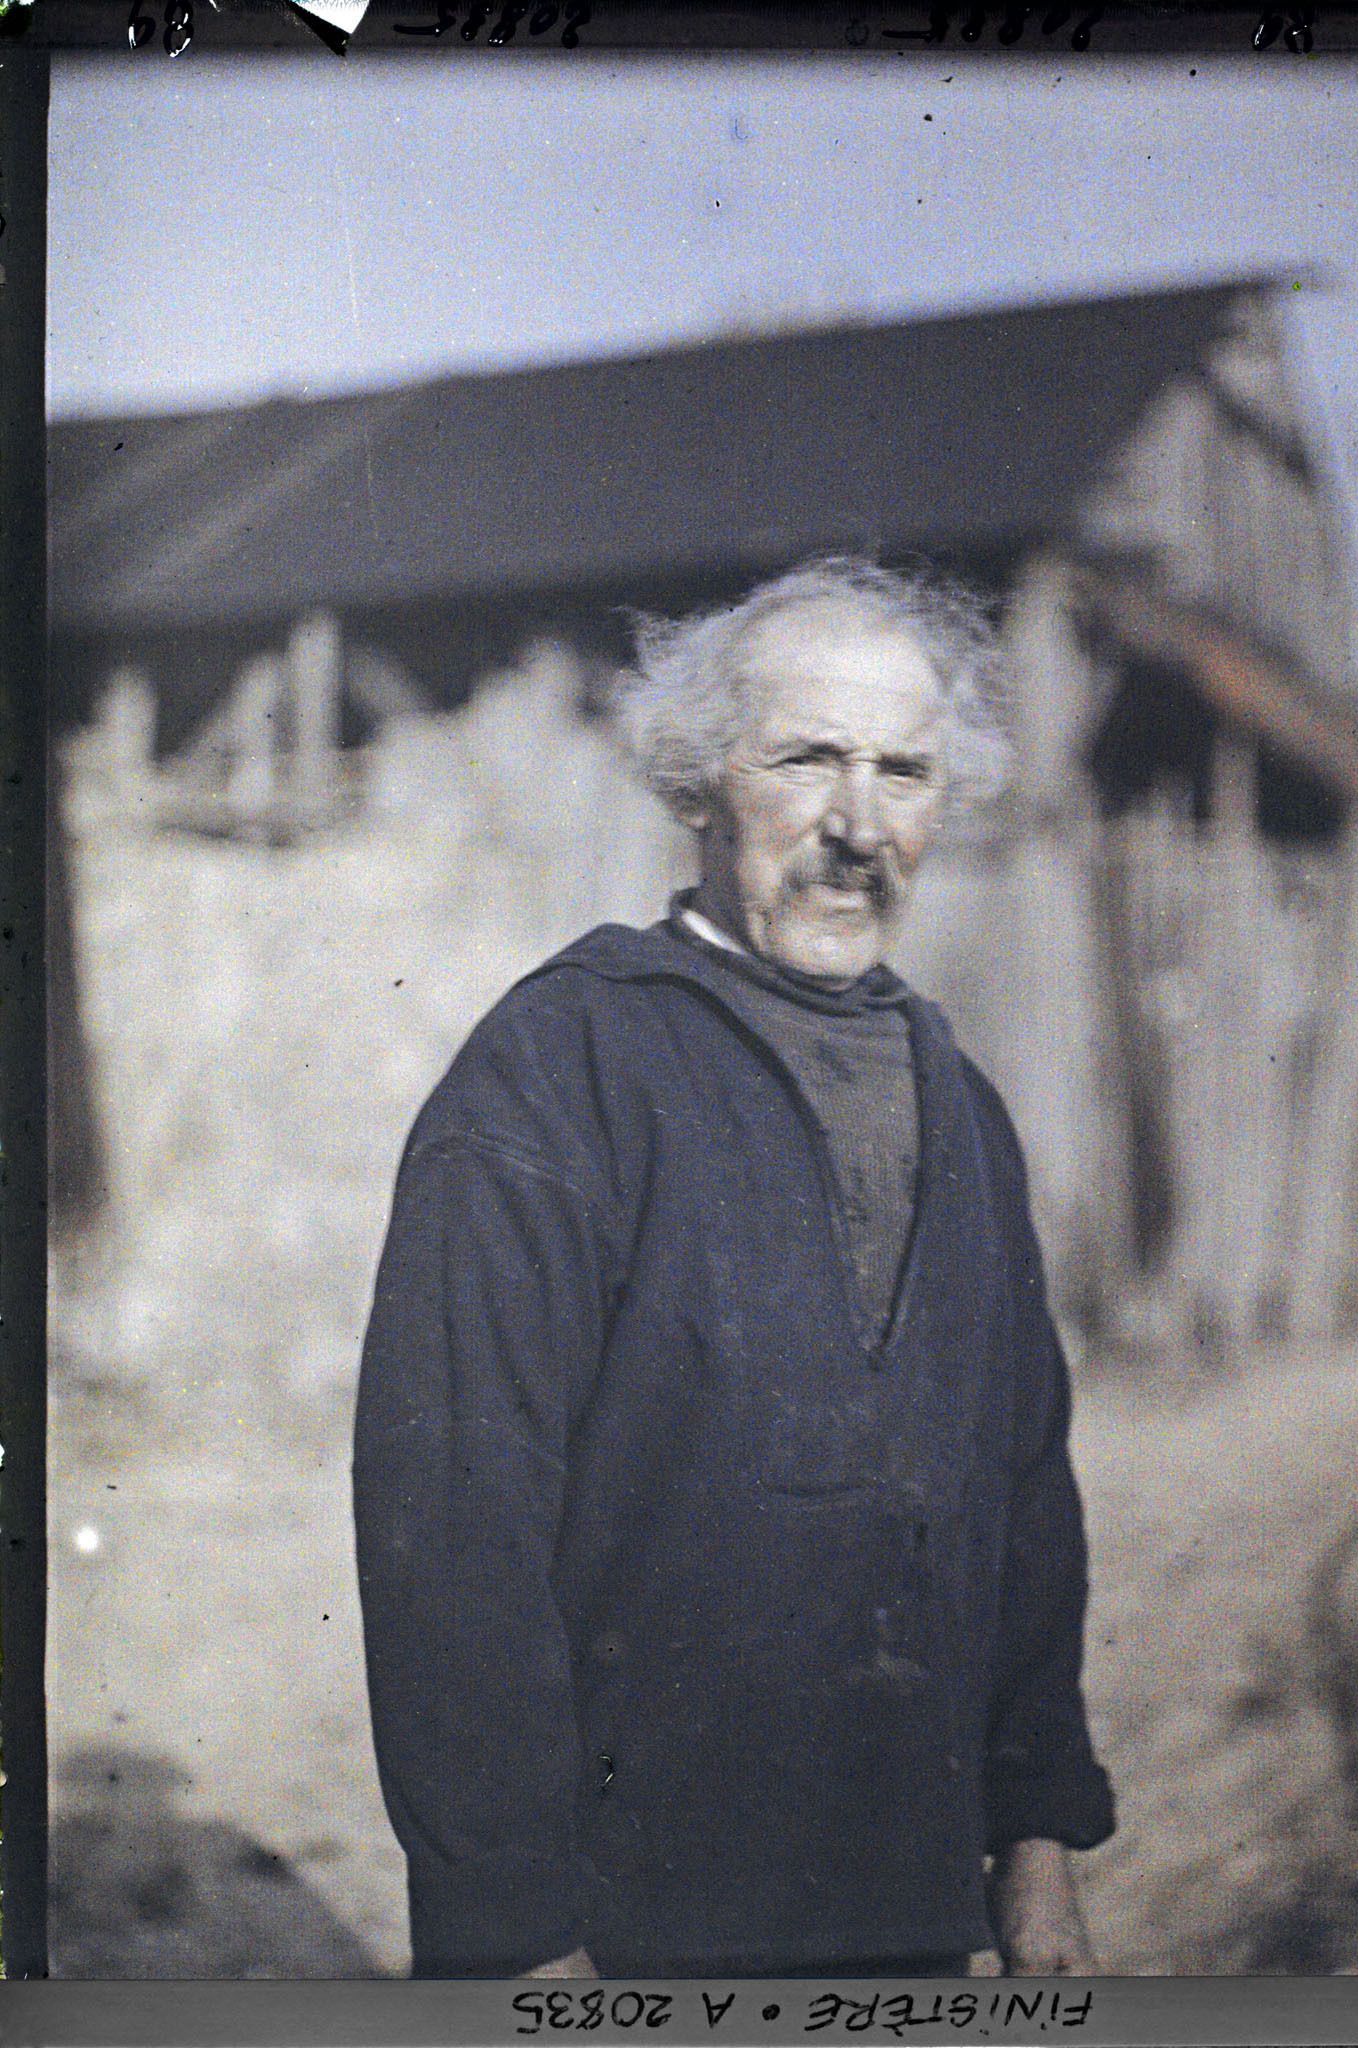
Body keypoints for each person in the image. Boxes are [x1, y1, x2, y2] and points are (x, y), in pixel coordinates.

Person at [352, 558, 1115, 1981]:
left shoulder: (964, 1107)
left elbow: (1024, 1495)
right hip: (634, 1924)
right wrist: (516, 1941)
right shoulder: (562, 1067)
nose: (856, 826)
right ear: (699, 782)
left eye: (903, 771)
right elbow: (452, 1522)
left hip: (904, 1909)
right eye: (807, 759)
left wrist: (1034, 1845)